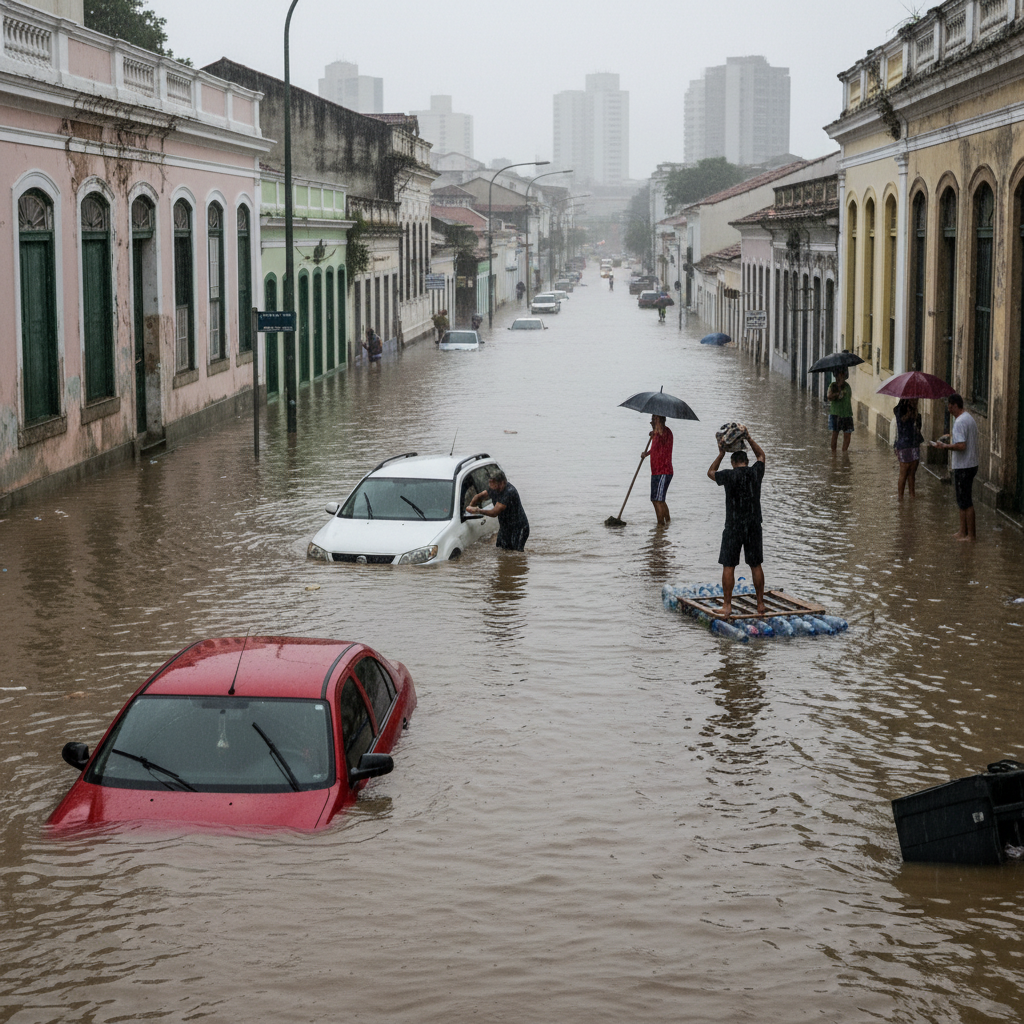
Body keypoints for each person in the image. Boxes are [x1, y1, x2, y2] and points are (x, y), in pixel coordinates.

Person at [707, 426, 766, 617]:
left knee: (729, 565)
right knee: (755, 564)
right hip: (754, 525)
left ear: (733, 462)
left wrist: (721, 453)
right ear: (746, 462)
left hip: (733, 526)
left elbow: (710, 472)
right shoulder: (755, 473)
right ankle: (760, 604)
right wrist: (748, 438)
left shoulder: (729, 475)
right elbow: (762, 456)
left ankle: (727, 606)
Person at [935, 393, 979, 541]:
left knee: (964, 501)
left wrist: (945, 446)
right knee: (963, 499)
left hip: (964, 466)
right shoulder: (969, 418)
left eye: (949, 407)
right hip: (971, 464)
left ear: (955, 405)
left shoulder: (960, 421)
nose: (949, 410)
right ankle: (963, 531)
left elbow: (961, 445)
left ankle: (970, 535)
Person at [466, 468, 530, 551]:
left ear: (502, 482)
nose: (490, 485)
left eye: (493, 482)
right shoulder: (494, 489)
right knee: (500, 549)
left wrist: (478, 510)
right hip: (505, 527)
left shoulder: (509, 492)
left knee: (516, 553)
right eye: (490, 482)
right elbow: (478, 496)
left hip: (518, 527)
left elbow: (494, 512)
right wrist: (470, 507)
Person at [641, 414, 673, 525]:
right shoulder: (656, 434)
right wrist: (646, 454)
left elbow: (661, 434)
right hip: (655, 471)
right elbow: (656, 448)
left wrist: (657, 424)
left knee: (659, 500)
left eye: (654, 421)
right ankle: (666, 524)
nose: (652, 423)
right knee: (655, 499)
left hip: (664, 471)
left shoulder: (666, 432)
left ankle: (661, 526)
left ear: (659, 421)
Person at [893, 398, 922, 499]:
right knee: (904, 472)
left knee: (912, 473)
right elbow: (901, 421)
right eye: (914, 399)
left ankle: (912, 496)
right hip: (904, 444)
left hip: (914, 444)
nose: (916, 401)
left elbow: (918, 428)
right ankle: (900, 498)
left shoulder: (915, 412)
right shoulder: (900, 409)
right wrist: (909, 413)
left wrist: (915, 414)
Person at [827, 369, 854, 451]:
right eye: (839, 375)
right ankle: (833, 454)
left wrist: (840, 389)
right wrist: (837, 392)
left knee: (848, 434)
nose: (841, 377)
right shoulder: (832, 386)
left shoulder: (847, 386)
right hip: (836, 414)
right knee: (835, 434)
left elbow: (847, 395)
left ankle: (844, 452)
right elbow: (829, 397)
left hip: (847, 414)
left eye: (843, 375)